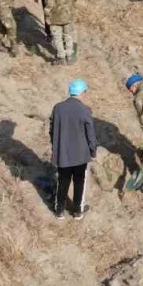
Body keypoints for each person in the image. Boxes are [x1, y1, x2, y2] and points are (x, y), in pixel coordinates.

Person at [50, 79, 97, 219]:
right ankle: (77, 211)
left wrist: (55, 146)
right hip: (81, 155)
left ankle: (59, 210)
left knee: (63, 180)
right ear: (82, 92)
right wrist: (93, 151)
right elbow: (91, 134)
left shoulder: (57, 108)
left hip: (62, 153)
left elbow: (52, 130)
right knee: (79, 181)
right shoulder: (85, 110)